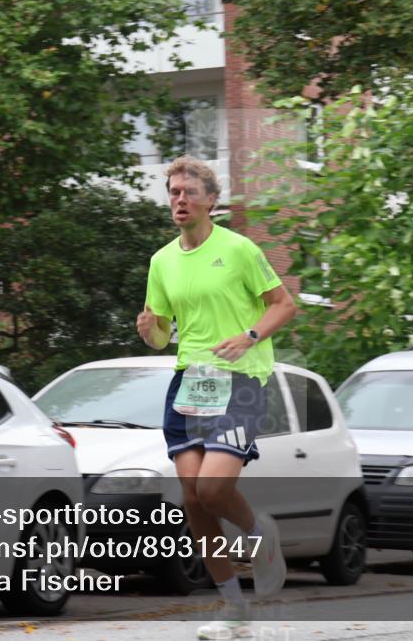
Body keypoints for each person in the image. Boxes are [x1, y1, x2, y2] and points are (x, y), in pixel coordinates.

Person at [136, 155, 297, 640]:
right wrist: (150, 329)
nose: (179, 200)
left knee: (212, 490)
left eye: (188, 192)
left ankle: (258, 534)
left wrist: (248, 335)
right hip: (191, 381)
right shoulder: (161, 261)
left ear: (211, 200)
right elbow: (162, 336)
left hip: (241, 380)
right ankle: (233, 609)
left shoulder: (240, 249)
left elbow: (284, 305)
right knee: (192, 500)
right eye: (173, 192)